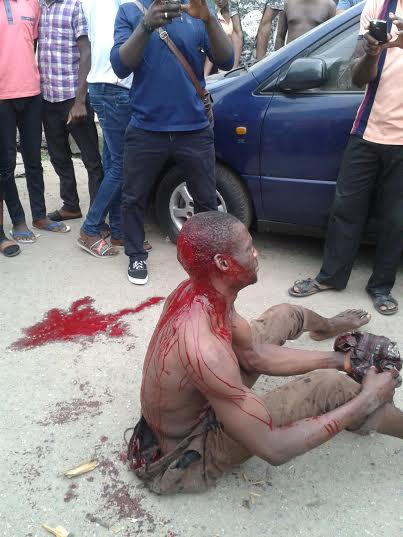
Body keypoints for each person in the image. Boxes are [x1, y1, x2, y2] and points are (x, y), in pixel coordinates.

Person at [125, 211, 402, 495]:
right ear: (223, 263)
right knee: (330, 387)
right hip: (190, 450)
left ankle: (328, 328)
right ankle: (370, 408)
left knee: (285, 314)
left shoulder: (203, 291)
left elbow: (253, 356)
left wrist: (343, 361)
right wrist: (369, 398)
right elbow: (273, 447)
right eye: (248, 248)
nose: (256, 253)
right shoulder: (204, 348)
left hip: (203, 394)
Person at [288, 6, 403, 316]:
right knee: (345, 209)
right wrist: (373, 52)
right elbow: (357, 77)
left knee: (396, 220)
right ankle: (330, 277)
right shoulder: (379, 6)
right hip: (367, 130)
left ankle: (381, 287)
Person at [110, 0, 234, 285]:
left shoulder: (197, 8)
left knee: (206, 200)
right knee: (133, 197)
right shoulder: (131, 10)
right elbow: (120, 66)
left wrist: (209, 20)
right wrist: (146, 26)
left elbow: (226, 60)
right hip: (145, 127)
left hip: (194, 128)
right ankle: (136, 255)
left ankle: (205, 259)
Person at [78, 0, 153, 258]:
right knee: (122, 165)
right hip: (116, 85)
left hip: (104, 84)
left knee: (113, 162)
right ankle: (90, 229)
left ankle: (120, 230)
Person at [0, 0, 69, 244]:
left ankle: (39, 216)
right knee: (6, 165)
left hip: (31, 92)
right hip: (2, 97)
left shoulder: (33, 4)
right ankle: (18, 220)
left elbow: (32, 43)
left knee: (34, 159)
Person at [38, 0, 103, 223]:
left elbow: (86, 52)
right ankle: (71, 206)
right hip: (48, 97)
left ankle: (97, 215)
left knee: (91, 160)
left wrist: (80, 101)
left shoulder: (75, 6)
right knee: (58, 157)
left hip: (73, 99)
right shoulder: (39, 7)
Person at [230, 0, 284, 68]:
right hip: (243, 62)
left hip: (265, 59)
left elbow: (265, 25)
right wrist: (234, 68)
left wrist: (260, 66)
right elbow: (237, 32)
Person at [204, 0, 233, 77]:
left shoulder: (238, 12)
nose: (219, 1)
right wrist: (205, 76)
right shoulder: (213, 17)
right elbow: (212, 48)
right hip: (224, 71)